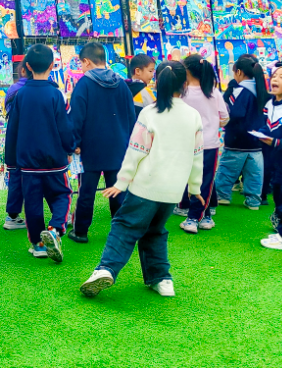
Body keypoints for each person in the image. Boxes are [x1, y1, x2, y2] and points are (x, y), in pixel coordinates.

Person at [80, 60, 203, 299]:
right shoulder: (193, 116)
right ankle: (162, 279)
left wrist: (121, 183)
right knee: (155, 230)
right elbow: (197, 155)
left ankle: (106, 269)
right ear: (185, 84)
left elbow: (136, 151)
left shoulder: (150, 113)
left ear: (157, 81)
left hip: (145, 187)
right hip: (173, 191)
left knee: (124, 225)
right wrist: (195, 188)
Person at [5, 44, 74, 263]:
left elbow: (13, 128)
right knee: (62, 194)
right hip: (54, 160)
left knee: (32, 203)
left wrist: (11, 160)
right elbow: (64, 126)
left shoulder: (20, 94)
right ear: (52, 65)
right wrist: (70, 147)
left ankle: (38, 245)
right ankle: (55, 228)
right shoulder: (56, 94)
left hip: (28, 162)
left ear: (26, 66)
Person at [68, 42, 137, 244]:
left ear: (87, 61)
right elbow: (131, 117)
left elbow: (76, 118)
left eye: (81, 64)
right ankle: (121, 233)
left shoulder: (84, 84)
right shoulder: (121, 84)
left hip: (91, 148)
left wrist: (74, 143)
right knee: (118, 191)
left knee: (86, 192)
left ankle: (80, 231)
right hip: (118, 147)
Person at [177, 54, 228, 234]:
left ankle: (193, 217)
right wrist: (213, 125)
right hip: (209, 144)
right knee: (205, 180)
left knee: (193, 180)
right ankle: (205, 216)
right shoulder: (214, 92)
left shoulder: (182, 93)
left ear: (186, 70)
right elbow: (224, 117)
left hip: (187, 144)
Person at [214, 55, 269, 210]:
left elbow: (232, 111)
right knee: (254, 174)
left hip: (237, 139)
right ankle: (253, 201)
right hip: (257, 141)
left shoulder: (239, 90)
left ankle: (222, 195)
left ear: (238, 72)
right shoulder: (262, 90)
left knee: (227, 170)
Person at [255, 62, 282, 251]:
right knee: (279, 194)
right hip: (276, 161)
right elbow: (267, 125)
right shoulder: (270, 104)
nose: (275, 78)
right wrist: (261, 133)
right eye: (274, 75)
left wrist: (277, 142)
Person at [2, 60, 28, 231]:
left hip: (14, 138)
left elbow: (8, 110)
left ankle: (12, 216)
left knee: (16, 177)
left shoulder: (14, 88)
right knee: (47, 175)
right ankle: (60, 214)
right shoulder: (35, 89)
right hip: (32, 138)